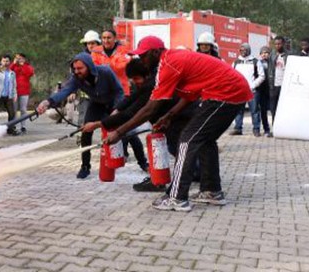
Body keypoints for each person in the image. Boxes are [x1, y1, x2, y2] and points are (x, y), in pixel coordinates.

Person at [106, 36, 251, 212]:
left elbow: (149, 109)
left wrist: (119, 133)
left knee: (187, 140)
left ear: (155, 52)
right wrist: (169, 116)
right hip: (232, 91)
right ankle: (212, 191)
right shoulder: (171, 60)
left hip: (225, 93)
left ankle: (176, 197)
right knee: (206, 140)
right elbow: (189, 95)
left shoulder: (168, 63)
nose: (141, 61)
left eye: (143, 56)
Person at [81, 58, 196, 192]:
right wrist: (117, 109)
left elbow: (131, 113)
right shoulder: (146, 82)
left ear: (146, 75)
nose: (135, 82)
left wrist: (98, 124)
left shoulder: (152, 85)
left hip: (178, 118)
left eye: (136, 78)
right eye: (132, 79)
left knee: (177, 149)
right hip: (167, 119)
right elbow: (132, 97)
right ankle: (162, 179)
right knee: (171, 147)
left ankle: (177, 185)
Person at [36, 53, 124, 179]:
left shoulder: (105, 72)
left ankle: (142, 162)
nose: (77, 71)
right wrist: (47, 102)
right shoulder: (76, 79)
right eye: (75, 69)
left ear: (89, 66)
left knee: (124, 131)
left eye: (80, 68)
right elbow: (64, 92)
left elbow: (119, 91)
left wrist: (117, 109)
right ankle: (85, 166)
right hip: (97, 104)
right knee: (85, 132)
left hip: (113, 103)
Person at [90, 30, 146, 169]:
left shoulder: (124, 50)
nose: (106, 40)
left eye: (109, 38)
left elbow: (124, 67)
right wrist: (110, 66)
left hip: (122, 94)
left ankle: (142, 162)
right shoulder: (96, 52)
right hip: (104, 96)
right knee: (109, 127)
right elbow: (95, 70)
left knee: (129, 130)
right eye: (103, 38)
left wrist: (107, 67)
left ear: (115, 39)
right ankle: (116, 158)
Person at [230, 43, 265, 137]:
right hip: (240, 91)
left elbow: (262, 76)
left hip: (252, 91)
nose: (242, 52)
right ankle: (238, 128)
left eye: (244, 50)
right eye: (241, 50)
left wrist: (252, 86)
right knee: (238, 111)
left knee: (254, 111)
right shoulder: (236, 62)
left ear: (249, 50)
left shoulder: (255, 62)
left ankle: (256, 129)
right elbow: (231, 76)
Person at [0, 55, 19, 135]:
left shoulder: (12, 73)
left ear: (9, 62)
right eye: (3, 61)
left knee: (12, 113)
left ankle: (10, 129)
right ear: (1, 62)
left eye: (7, 61)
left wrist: (15, 94)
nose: (5, 63)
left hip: (8, 96)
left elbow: (14, 85)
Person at [10, 53, 35, 134]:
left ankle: (23, 126)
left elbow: (29, 74)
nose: (19, 59)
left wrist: (22, 65)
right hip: (14, 91)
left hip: (24, 91)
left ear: (24, 59)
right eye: (18, 58)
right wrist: (14, 63)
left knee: (23, 109)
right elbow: (8, 71)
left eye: (21, 58)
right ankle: (13, 125)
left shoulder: (28, 66)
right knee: (14, 109)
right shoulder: (14, 66)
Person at [268, 36, 289, 122]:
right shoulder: (272, 55)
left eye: (279, 44)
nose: (277, 46)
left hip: (284, 86)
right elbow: (269, 70)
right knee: (273, 108)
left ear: (283, 44)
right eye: (276, 44)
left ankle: (283, 127)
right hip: (274, 85)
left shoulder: (289, 55)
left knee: (284, 108)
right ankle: (274, 127)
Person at [258, 46, 272, 137]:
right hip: (262, 91)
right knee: (263, 111)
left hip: (271, 90)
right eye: (262, 53)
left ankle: (276, 129)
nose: (264, 54)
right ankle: (266, 129)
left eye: (266, 53)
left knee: (274, 110)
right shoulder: (257, 63)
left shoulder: (273, 63)